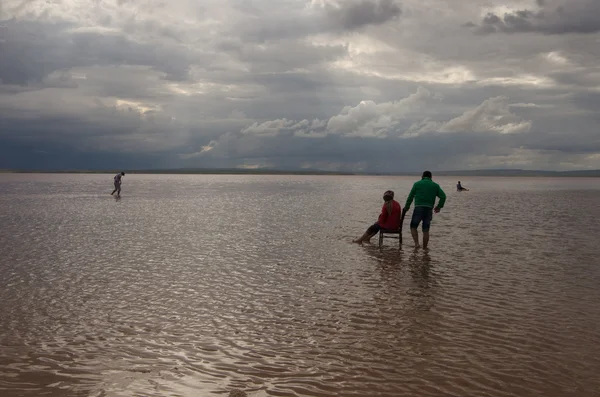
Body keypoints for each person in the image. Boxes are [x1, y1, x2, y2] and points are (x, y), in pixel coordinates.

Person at [404, 171, 446, 249]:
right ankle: (425, 248)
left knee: (413, 227)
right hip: (429, 209)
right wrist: (439, 207)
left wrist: (407, 207)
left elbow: (410, 197)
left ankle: (416, 244)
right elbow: (443, 196)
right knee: (425, 230)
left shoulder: (417, 184)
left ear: (422, 176)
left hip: (418, 208)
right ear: (431, 177)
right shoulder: (435, 186)